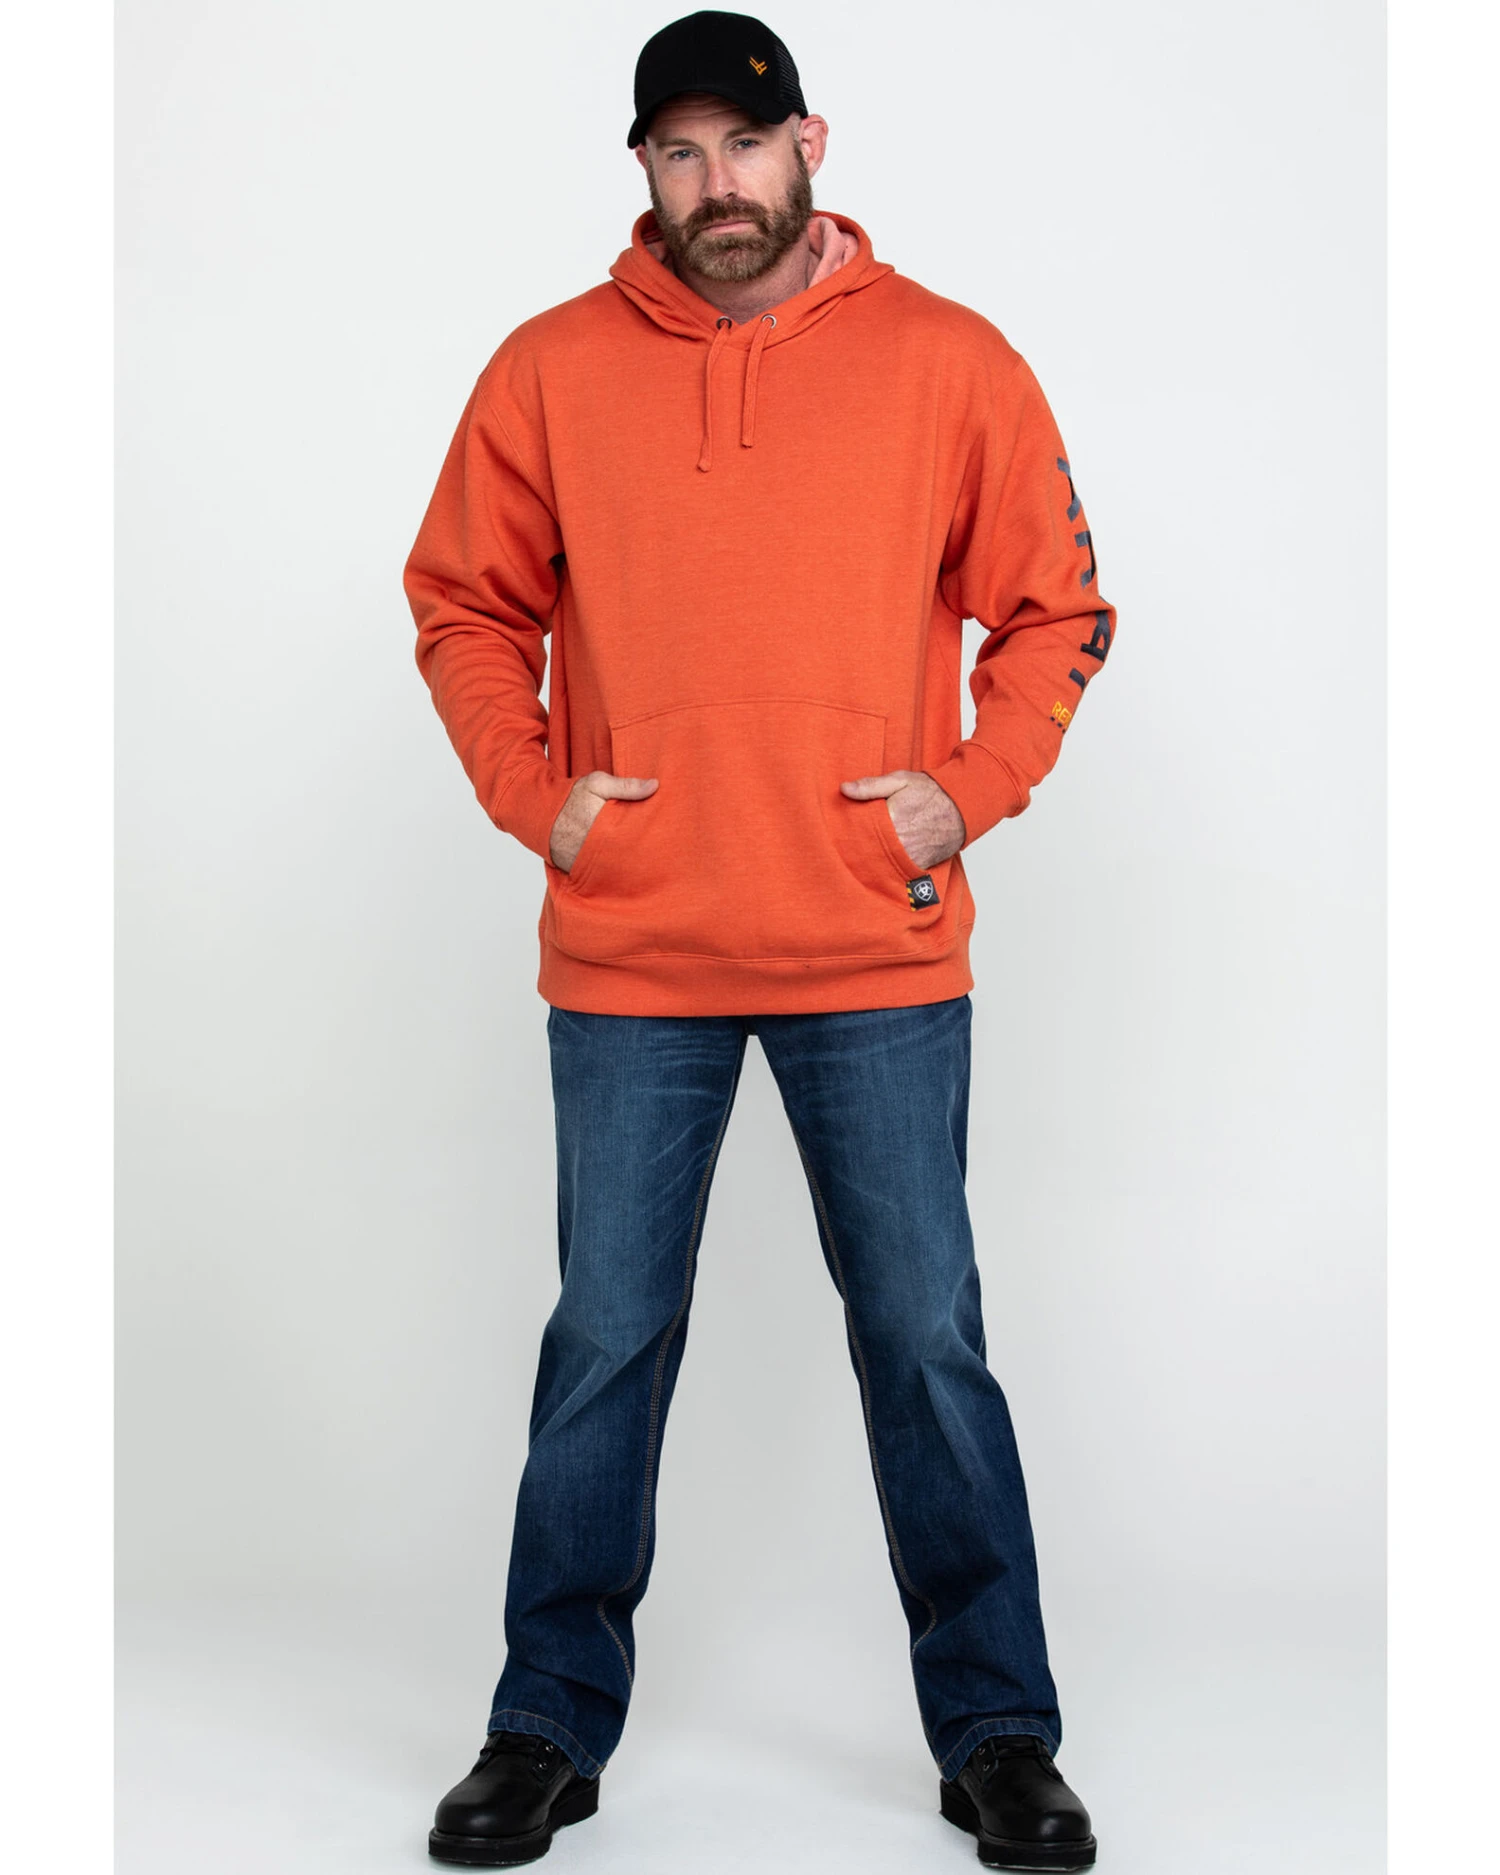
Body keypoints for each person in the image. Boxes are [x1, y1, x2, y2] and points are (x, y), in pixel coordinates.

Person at [402, 10, 1115, 1869]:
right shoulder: (550, 370)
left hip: (874, 946)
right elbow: (462, 603)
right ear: (643, 169)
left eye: (745, 143)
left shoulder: (951, 362)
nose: (716, 184)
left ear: (812, 145)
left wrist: (969, 789)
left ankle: (998, 1730)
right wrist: (535, 793)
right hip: (634, 947)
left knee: (925, 1338)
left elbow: (1058, 610)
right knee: (607, 1335)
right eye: (679, 151)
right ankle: (545, 1721)